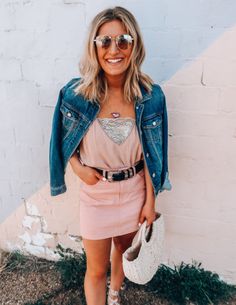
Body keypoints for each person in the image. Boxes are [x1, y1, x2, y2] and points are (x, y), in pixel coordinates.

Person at [49, 6, 172, 305]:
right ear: (94, 47)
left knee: (123, 251)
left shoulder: (151, 95)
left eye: (123, 40)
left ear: (134, 45)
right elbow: (60, 142)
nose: (114, 50)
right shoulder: (76, 94)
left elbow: (157, 157)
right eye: (105, 41)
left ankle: (115, 295)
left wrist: (150, 201)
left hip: (134, 190)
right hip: (96, 195)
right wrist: (77, 168)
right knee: (95, 268)